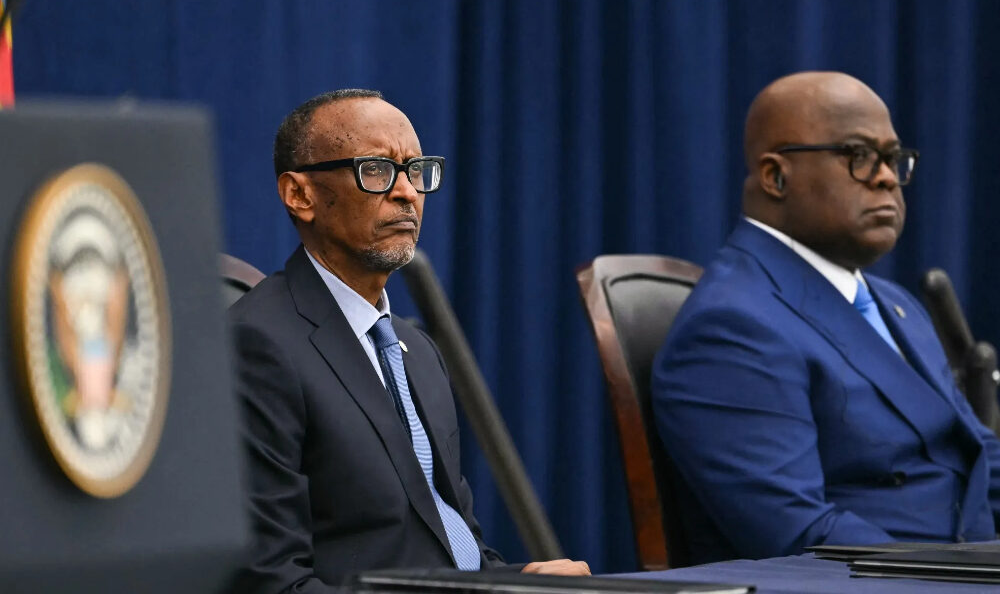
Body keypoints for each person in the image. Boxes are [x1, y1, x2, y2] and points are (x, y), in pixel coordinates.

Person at [229, 89, 589, 592]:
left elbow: (451, 548)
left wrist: (520, 581)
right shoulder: (256, 346)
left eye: (416, 170)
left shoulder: (416, 350)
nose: (407, 192)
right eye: (376, 170)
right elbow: (273, 582)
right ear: (300, 195)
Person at [651, 72, 1000, 564]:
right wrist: (965, 574)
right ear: (776, 176)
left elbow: (977, 456)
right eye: (858, 155)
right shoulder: (732, 326)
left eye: (893, 158)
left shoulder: (895, 304)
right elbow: (801, 532)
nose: (885, 177)